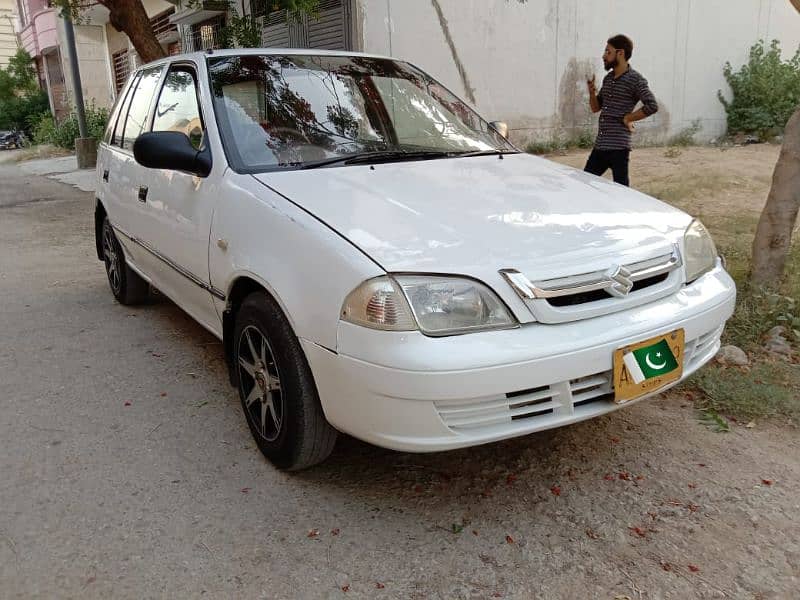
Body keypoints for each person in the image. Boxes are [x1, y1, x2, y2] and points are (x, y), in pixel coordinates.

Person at [584, 34, 658, 187]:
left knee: (622, 192)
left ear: (620, 53)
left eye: (608, 52)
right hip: (600, 146)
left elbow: (652, 105)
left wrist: (628, 118)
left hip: (618, 148)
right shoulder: (608, 79)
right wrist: (591, 93)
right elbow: (596, 108)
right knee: (584, 184)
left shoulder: (635, 79)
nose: (604, 56)